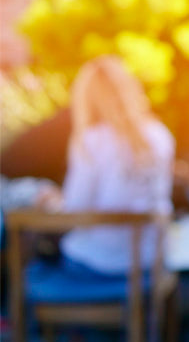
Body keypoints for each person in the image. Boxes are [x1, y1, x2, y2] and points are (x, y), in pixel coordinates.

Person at [58, 56, 175, 275]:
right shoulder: (160, 134)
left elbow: (74, 209)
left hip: (103, 262)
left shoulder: (91, 140)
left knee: (36, 265)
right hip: (152, 257)